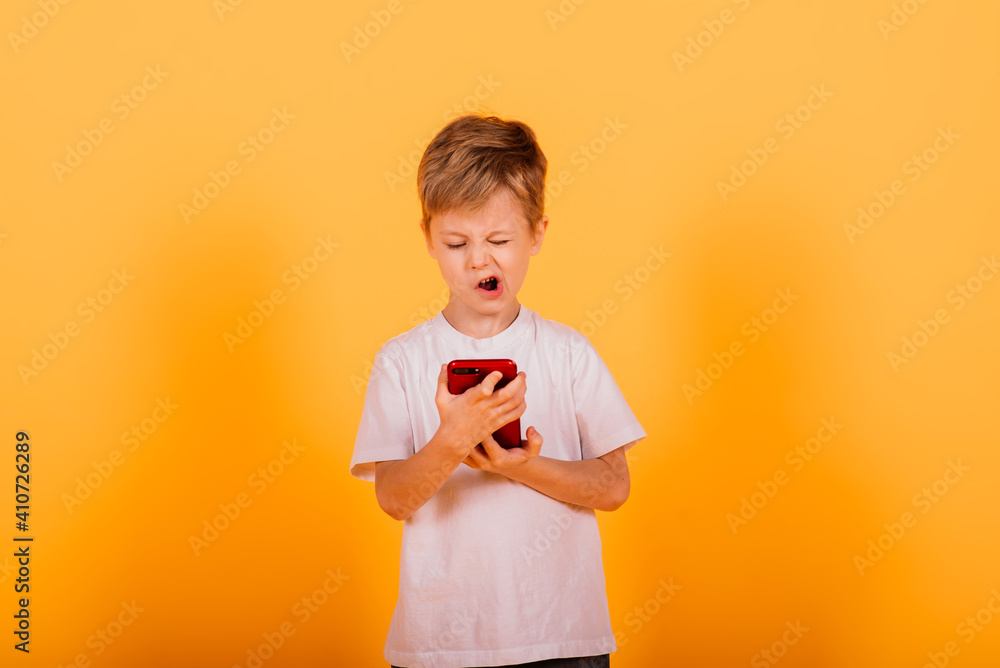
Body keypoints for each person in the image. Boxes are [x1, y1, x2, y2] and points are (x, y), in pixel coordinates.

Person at [350, 112, 647, 668]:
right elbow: (392, 498)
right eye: (457, 242)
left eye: (500, 239)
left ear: (536, 235)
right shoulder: (402, 361)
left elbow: (612, 488)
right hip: (440, 647)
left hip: (563, 639)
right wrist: (452, 441)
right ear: (429, 241)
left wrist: (515, 465)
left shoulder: (569, 353)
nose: (480, 259)